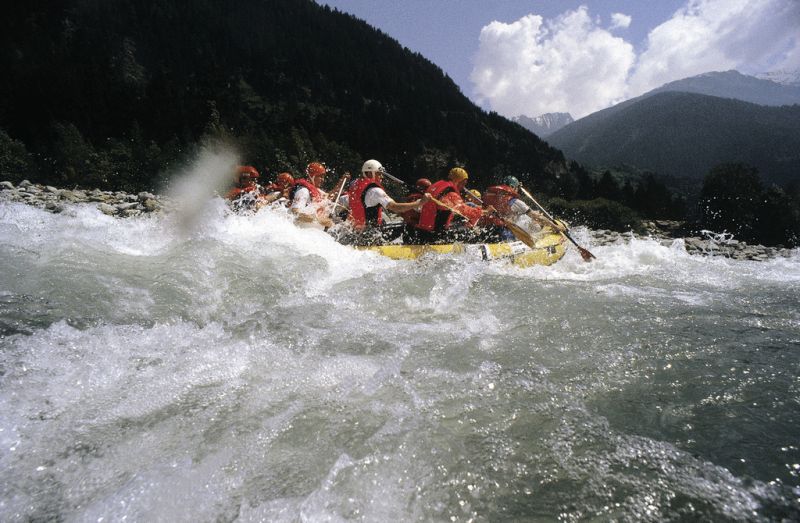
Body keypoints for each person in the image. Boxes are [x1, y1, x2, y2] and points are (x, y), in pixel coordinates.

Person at [340, 159, 429, 243]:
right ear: (369, 173)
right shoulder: (375, 191)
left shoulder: (355, 186)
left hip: (357, 233)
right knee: (407, 227)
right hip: (371, 236)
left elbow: (344, 201)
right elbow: (395, 207)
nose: (381, 176)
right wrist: (420, 203)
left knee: (383, 222)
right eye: (379, 174)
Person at [411, 167, 493, 243]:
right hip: (434, 236)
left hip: (422, 232)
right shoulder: (451, 193)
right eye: (463, 183)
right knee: (468, 235)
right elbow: (467, 212)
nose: (463, 187)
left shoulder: (435, 185)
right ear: (457, 181)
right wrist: (486, 211)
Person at [482, 175, 552, 231]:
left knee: (524, 217)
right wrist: (554, 226)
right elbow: (536, 216)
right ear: (513, 187)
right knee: (535, 220)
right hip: (506, 231)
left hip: (488, 227)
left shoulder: (491, 196)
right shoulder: (515, 202)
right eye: (517, 188)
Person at [288, 161, 333, 228]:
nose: (323, 180)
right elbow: (295, 213)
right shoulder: (303, 191)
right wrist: (319, 220)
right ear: (312, 176)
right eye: (320, 176)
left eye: (323, 177)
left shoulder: (318, 191)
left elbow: (328, 196)